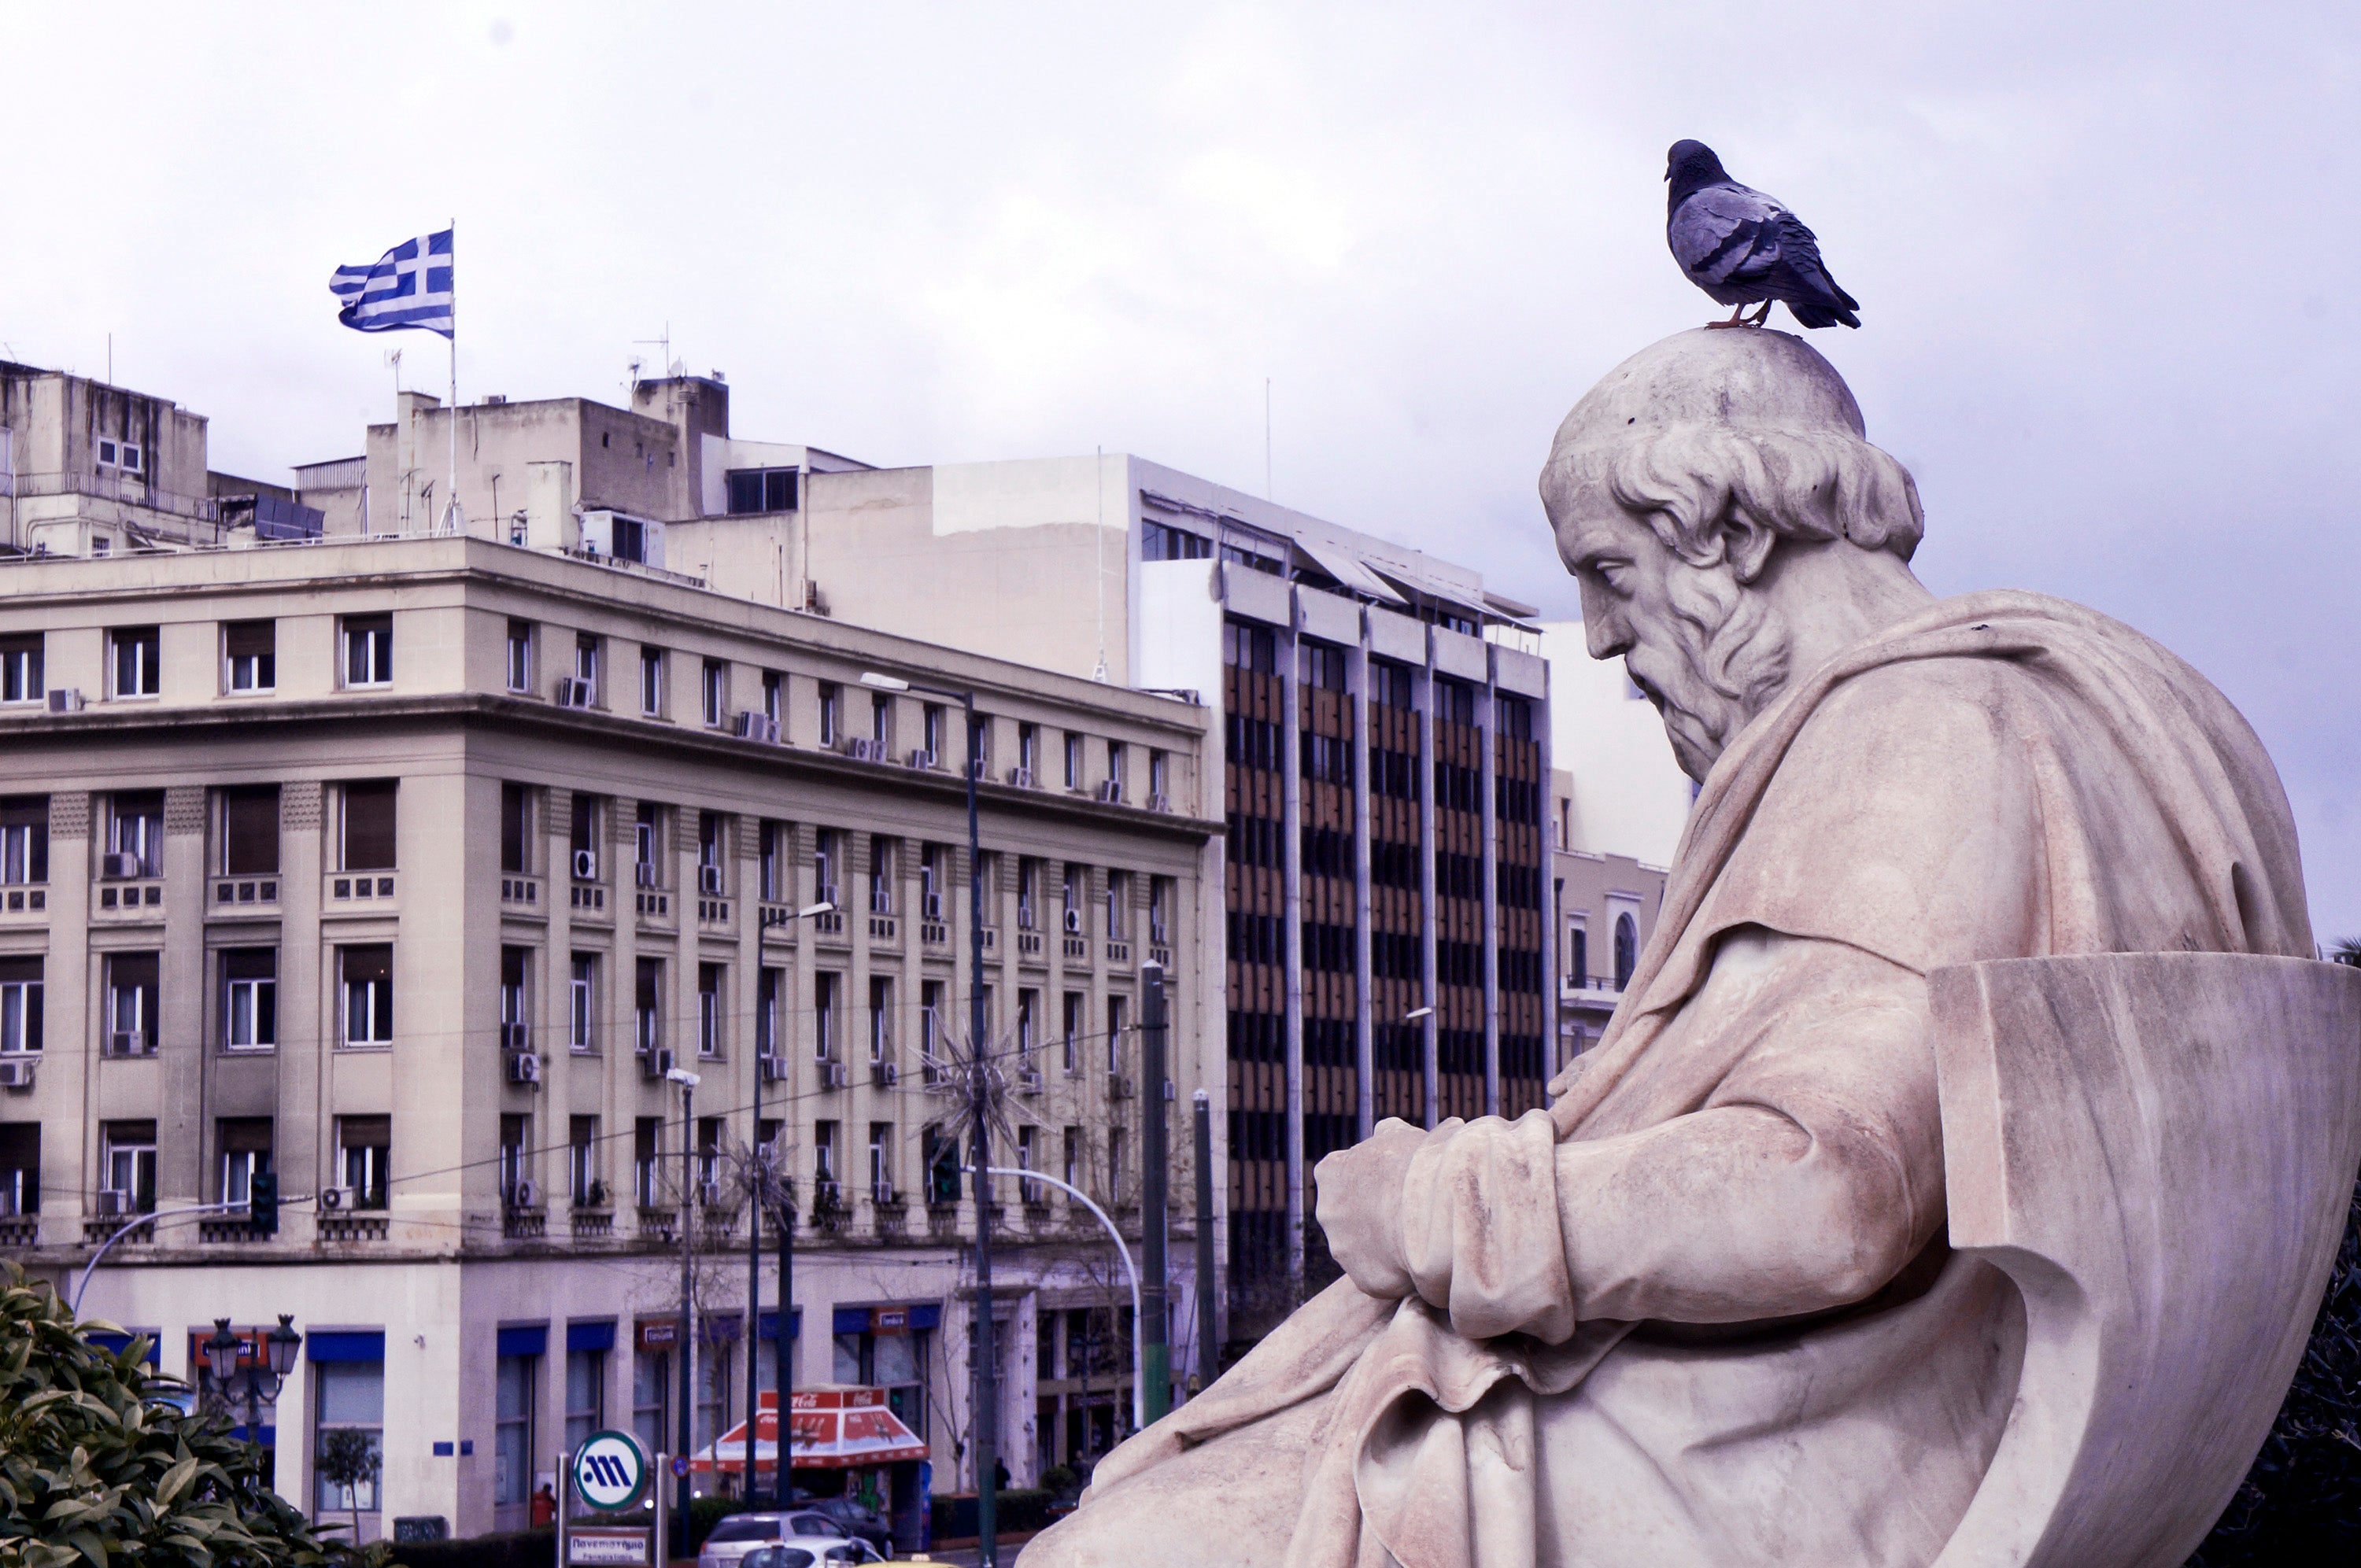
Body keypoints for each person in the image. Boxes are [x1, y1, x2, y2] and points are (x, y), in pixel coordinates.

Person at [1025, 327, 2311, 1568]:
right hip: (1871, 1421)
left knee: (1126, 1544)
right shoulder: (2140, 710)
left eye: (1608, 570)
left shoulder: (1920, 732)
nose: (1598, 636)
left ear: (1737, 537)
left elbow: (1834, 1189)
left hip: (1795, 1449)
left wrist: (1432, 1203)